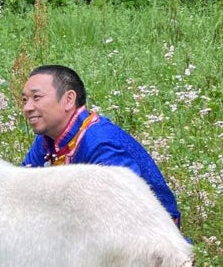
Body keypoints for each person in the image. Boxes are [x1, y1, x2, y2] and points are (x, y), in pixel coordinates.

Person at [19, 64, 181, 226]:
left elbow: (126, 210)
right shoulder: (47, 138)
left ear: (68, 100)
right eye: (25, 100)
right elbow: (23, 189)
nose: (27, 108)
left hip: (148, 235)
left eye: (37, 97)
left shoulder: (99, 141)